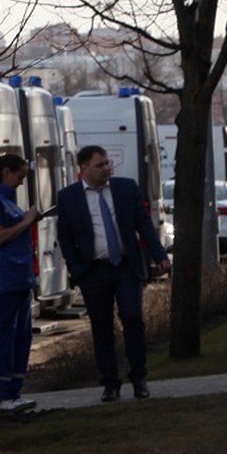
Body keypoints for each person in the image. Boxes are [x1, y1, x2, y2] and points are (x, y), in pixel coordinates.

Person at [55, 144, 170, 401]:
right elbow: (65, 236)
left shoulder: (126, 188)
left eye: (108, 163)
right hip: (93, 271)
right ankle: (110, 383)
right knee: (102, 327)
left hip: (126, 267)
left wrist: (159, 255)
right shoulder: (68, 197)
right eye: (100, 164)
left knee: (132, 317)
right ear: (84, 169)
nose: (107, 168)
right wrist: (77, 269)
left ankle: (139, 378)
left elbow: (144, 225)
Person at [0, 151, 40, 413]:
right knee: (3, 337)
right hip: (3, 279)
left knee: (20, 337)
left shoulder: (5, 198)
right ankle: (0, 394)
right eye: (20, 176)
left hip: (18, 278)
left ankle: (13, 391)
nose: (22, 182)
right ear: (6, 173)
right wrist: (25, 222)